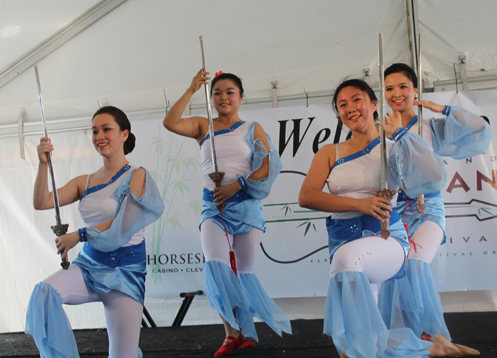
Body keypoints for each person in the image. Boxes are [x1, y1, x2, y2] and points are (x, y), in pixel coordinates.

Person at [298, 78, 472, 357]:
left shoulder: (391, 144)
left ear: (374, 104)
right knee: (361, 338)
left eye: (357, 100)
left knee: (345, 265)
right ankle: (432, 349)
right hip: (343, 241)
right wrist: (361, 203)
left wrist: (402, 137)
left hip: (385, 239)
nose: (350, 108)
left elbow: (432, 177)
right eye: (342, 104)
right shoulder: (331, 152)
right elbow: (307, 196)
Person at [163, 69, 291, 357]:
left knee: (242, 272)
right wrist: (191, 89)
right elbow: (169, 123)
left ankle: (245, 333)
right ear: (211, 98)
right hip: (213, 207)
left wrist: (239, 184)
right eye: (217, 92)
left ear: (241, 97)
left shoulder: (252, 128)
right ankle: (230, 333)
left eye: (230, 92)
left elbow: (269, 166)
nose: (223, 97)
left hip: (246, 207)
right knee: (216, 265)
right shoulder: (202, 126)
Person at [25, 106, 165, 358]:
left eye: (106, 129)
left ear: (124, 134)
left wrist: (78, 235)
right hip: (89, 267)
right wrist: (43, 164)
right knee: (43, 294)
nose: (99, 135)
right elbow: (42, 202)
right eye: (94, 131)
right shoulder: (85, 181)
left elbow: (121, 224)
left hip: (124, 275)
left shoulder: (138, 175)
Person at [378, 63, 491, 354]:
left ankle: (436, 337)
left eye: (403, 86)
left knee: (416, 264)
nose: (396, 93)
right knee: (395, 274)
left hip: (428, 209)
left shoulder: (430, 126)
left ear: (415, 89)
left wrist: (443, 109)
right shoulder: (381, 133)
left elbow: (480, 130)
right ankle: (413, 343)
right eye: (389, 88)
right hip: (396, 215)